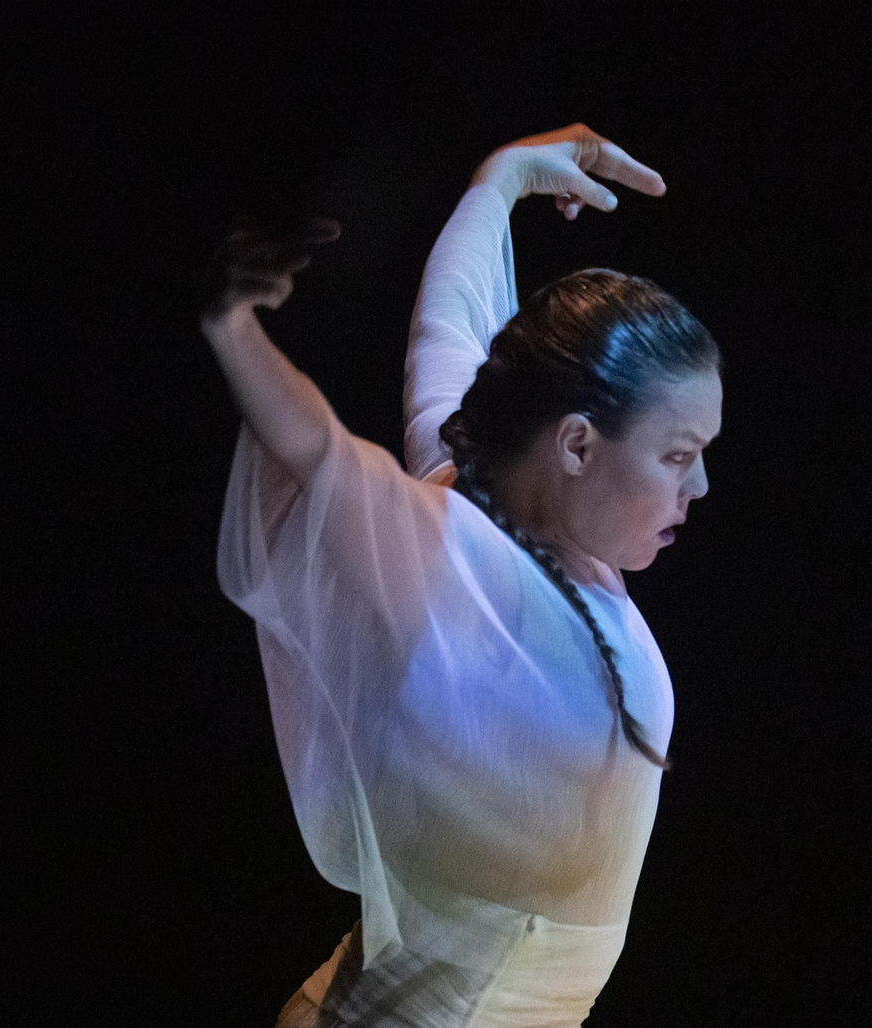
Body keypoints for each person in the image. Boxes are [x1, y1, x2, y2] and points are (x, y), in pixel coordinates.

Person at [202, 124, 723, 1027]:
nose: (701, 485)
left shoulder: (481, 476)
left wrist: (501, 182)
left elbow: (450, 319)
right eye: (679, 455)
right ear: (576, 445)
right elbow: (318, 451)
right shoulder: (444, 561)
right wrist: (230, 326)